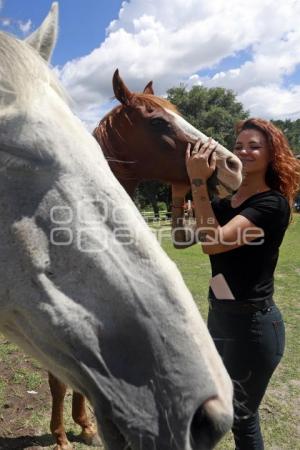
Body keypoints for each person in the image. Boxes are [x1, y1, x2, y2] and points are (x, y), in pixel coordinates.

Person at [171, 118, 300, 450]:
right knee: (216, 399)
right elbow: (182, 239)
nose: (244, 151)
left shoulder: (272, 205)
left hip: (254, 328)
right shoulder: (227, 204)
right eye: (239, 145)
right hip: (220, 317)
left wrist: (199, 180)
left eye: (254, 146)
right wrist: (179, 195)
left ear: (273, 154)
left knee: (242, 417)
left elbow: (212, 242)